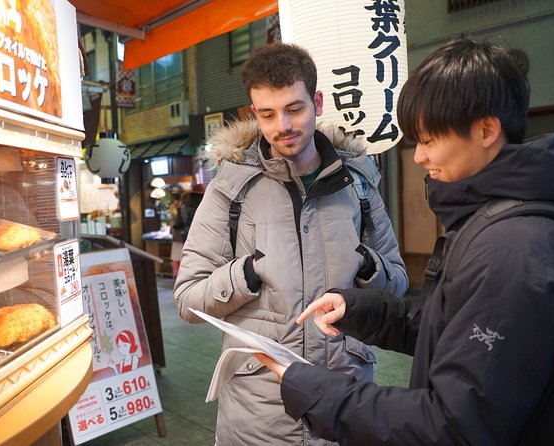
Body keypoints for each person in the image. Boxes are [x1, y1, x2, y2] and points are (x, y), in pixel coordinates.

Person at [256, 37, 554, 445]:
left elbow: (455, 427)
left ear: (487, 129)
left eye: (430, 140)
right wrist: (360, 309)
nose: (419, 157)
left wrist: (314, 390)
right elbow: (452, 329)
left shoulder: (514, 250)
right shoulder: (497, 219)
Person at [174, 41, 408, 445]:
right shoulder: (231, 189)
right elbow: (187, 300)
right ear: (254, 113)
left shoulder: (359, 185)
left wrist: (368, 267)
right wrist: (244, 273)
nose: (282, 125)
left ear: (316, 101)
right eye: (267, 114)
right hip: (257, 414)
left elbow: (399, 284)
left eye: (294, 109)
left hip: (344, 402)